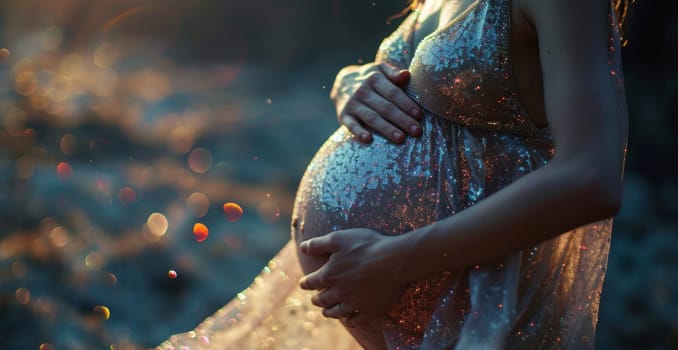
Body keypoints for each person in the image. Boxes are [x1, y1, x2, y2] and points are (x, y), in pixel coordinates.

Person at [159, 0, 629, 348]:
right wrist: (351, 82)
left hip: (477, 303)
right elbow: (414, 80)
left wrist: (398, 260)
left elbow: (590, 177)